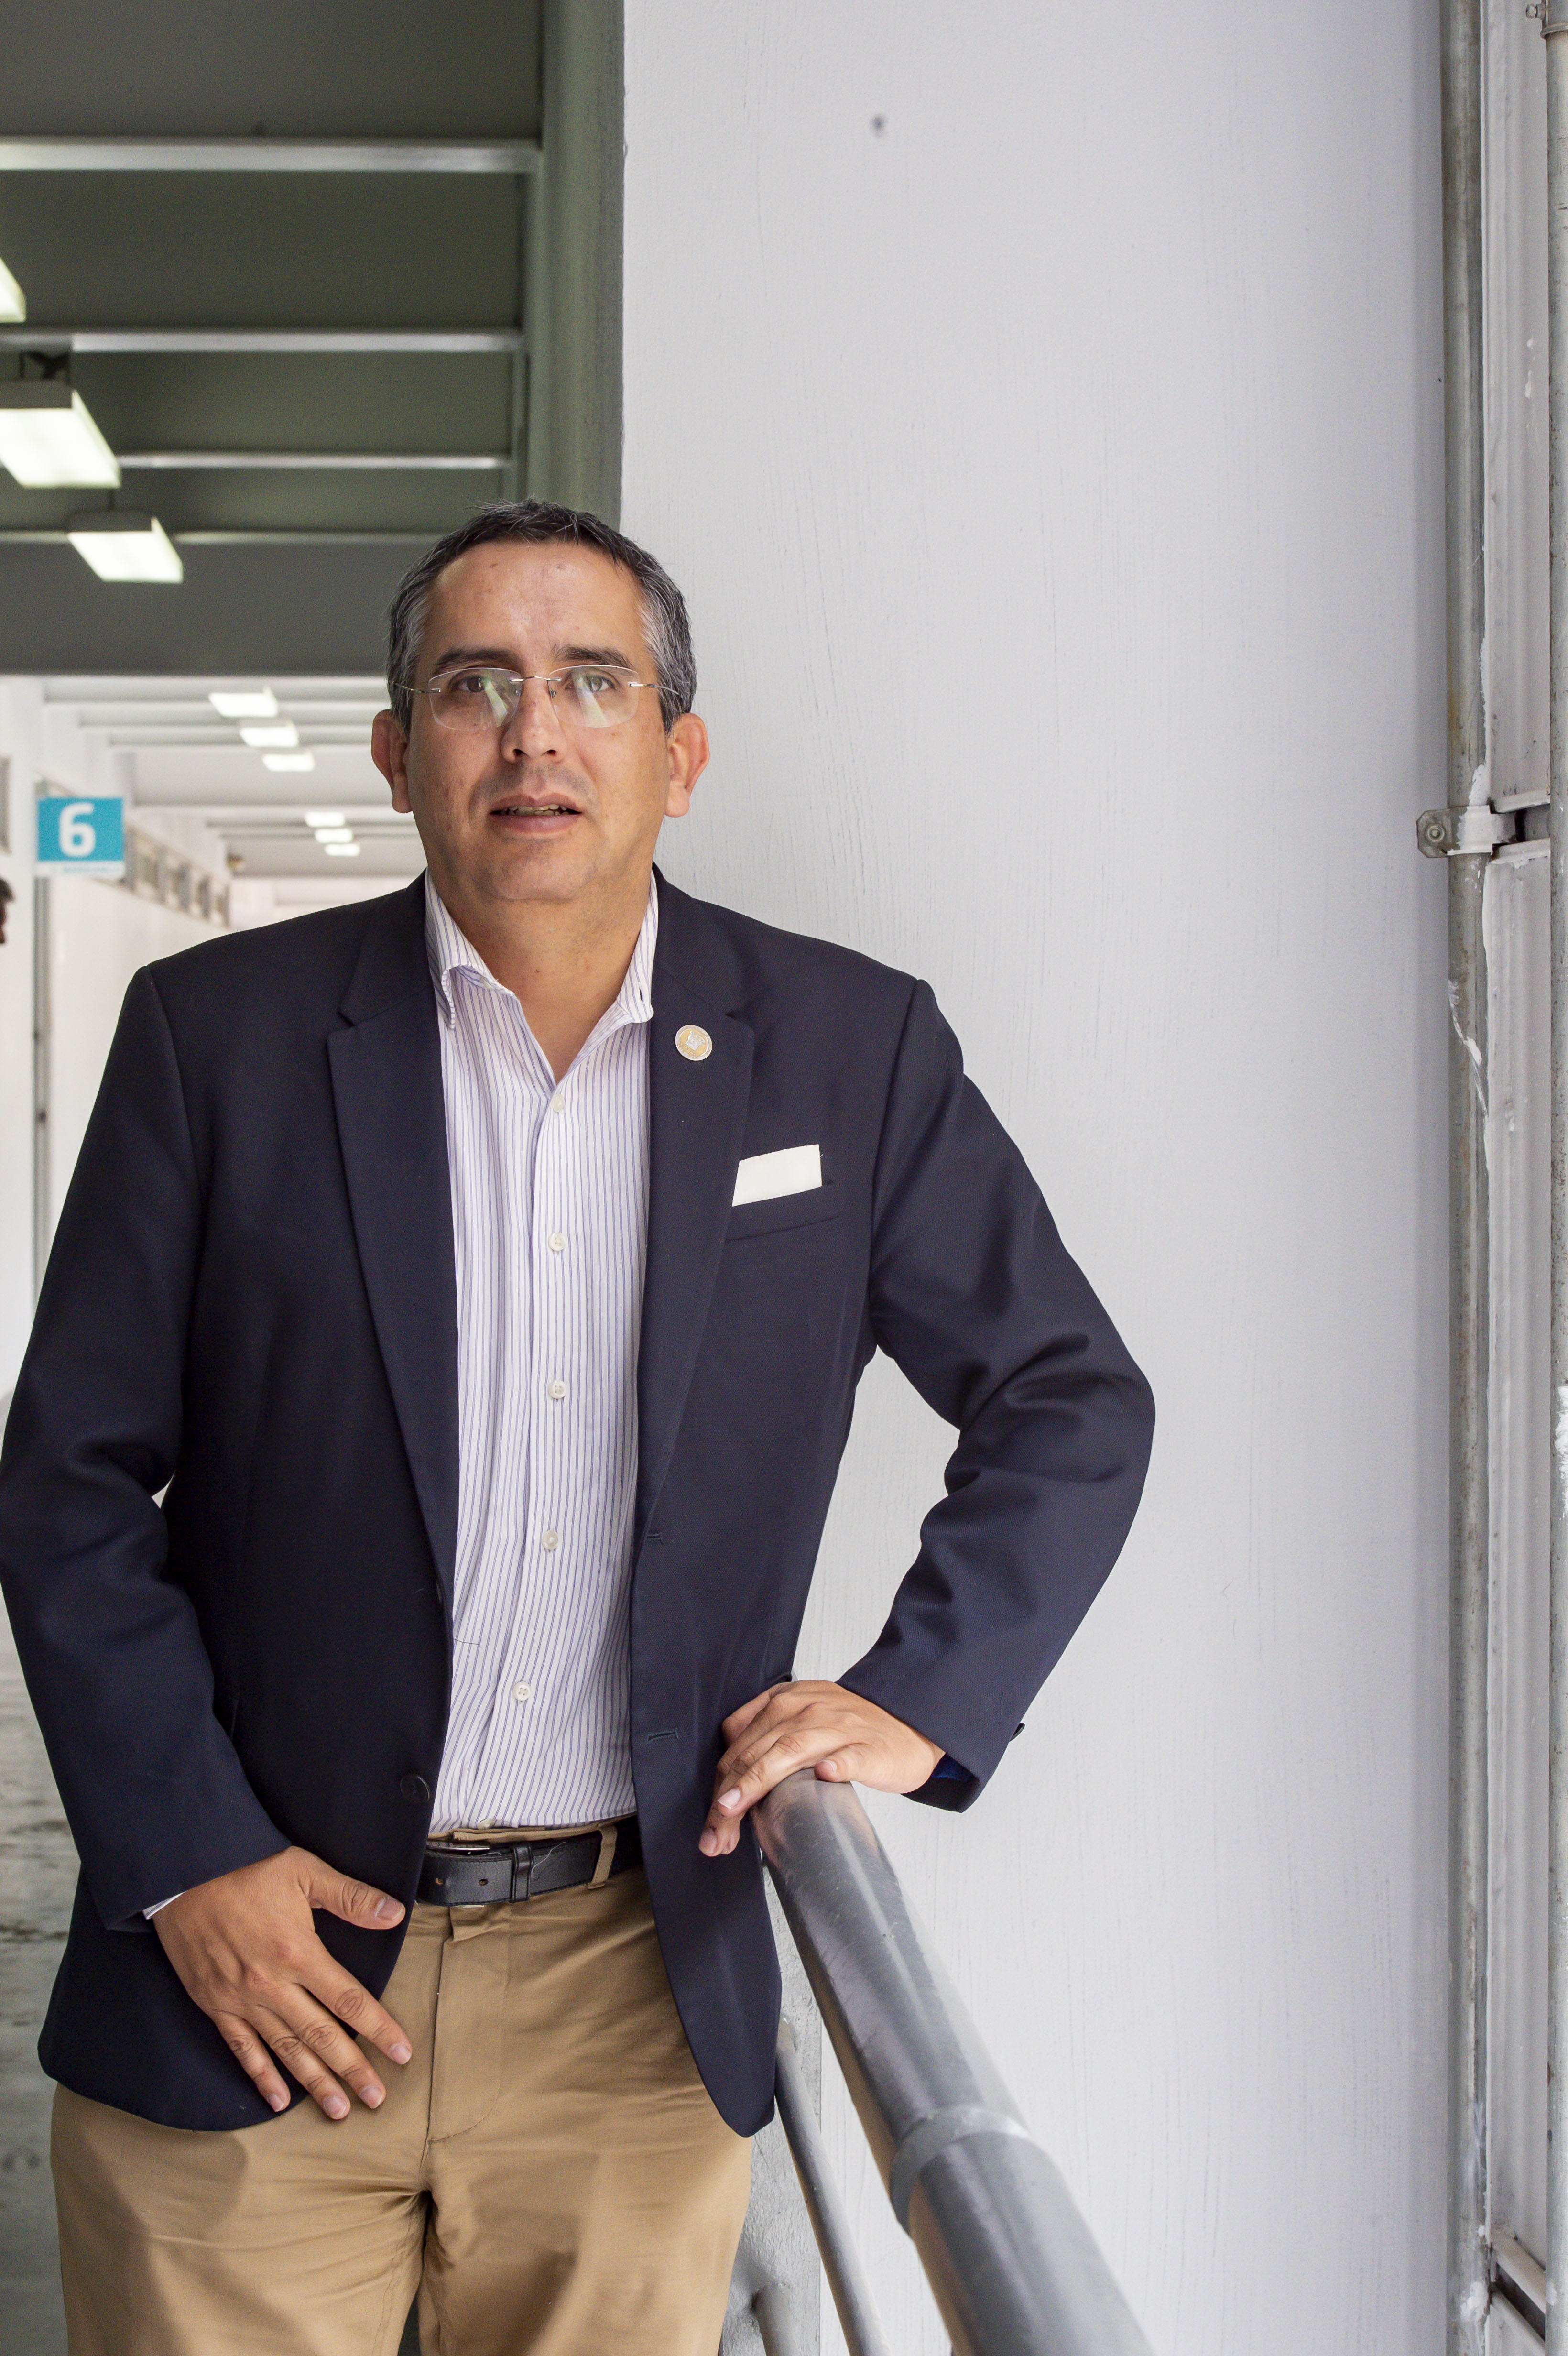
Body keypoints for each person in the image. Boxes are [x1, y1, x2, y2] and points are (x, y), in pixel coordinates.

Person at [0, 500, 1154, 2356]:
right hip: (253, 1974)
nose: (533, 734)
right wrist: (185, 1851)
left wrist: (922, 1694)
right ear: (399, 752)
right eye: (476, 685)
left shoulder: (847, 1050)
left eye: (591, 684)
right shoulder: (217, 1039)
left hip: (631, 2001)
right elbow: (69, 1481)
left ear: (678, 756)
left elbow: (1067, 1393)